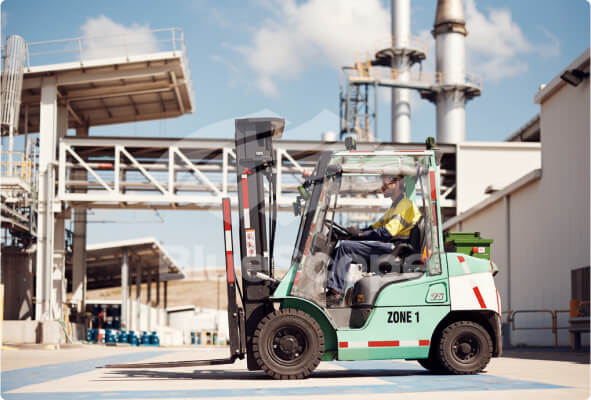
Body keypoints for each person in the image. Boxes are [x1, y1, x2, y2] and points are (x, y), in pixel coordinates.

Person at [326, 174, 422, 306]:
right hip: (392, 248)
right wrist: (352, 234)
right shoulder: (395, 207)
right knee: (339, 249)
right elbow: (374, 228)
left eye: (385, 183)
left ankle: (334, 294)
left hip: (398, 251)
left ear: (397, 183)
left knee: (346, 248)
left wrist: (359, 235)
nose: (382, 187)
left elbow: (387, 232)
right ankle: (333, 290)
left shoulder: (405, 205)